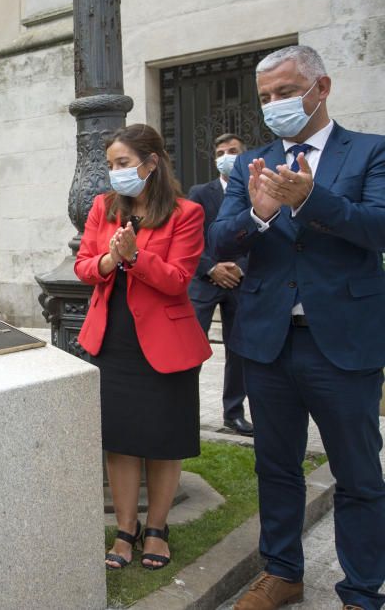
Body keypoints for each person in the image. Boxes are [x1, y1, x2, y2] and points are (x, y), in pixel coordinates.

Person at [210, 45, 385, 610]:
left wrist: (313, 199)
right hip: (267, 342)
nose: (275, 105)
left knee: (358, 475)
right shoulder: (250, 163)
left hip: (342, 342)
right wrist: (259, 214)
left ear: (321, 88)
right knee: (275, 465)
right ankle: (281, 572)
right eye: (266, 98)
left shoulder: (370, 152)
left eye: (285, 92)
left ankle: (360, 590)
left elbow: (377, 228)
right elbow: (219, 240)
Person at [75, 123, 212, 571]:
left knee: (162, 441)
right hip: (112, 340)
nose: (116, 173)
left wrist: (136, 257)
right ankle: (125, 530)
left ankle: (156, 529)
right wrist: (111, 258)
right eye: (111, 164)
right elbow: (83, 267)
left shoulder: (185, 213)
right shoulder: (101, 207)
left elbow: (177, 280)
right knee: (121, 442)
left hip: (164, 343)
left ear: (151, 164)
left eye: (124, 164)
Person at [187, 133, 253, 436]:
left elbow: (264, 235)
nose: (226, 155)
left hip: (241, 282)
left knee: (238, 350)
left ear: (245, 155)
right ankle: (184, 410)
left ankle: (234, 413)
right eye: (221, 152)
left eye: (233, 151)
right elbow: (189, 236)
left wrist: (239, 268)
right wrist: (211, 267)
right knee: (191, 348)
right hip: (204, 281)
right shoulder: (200, 192)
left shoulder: (256, 193)